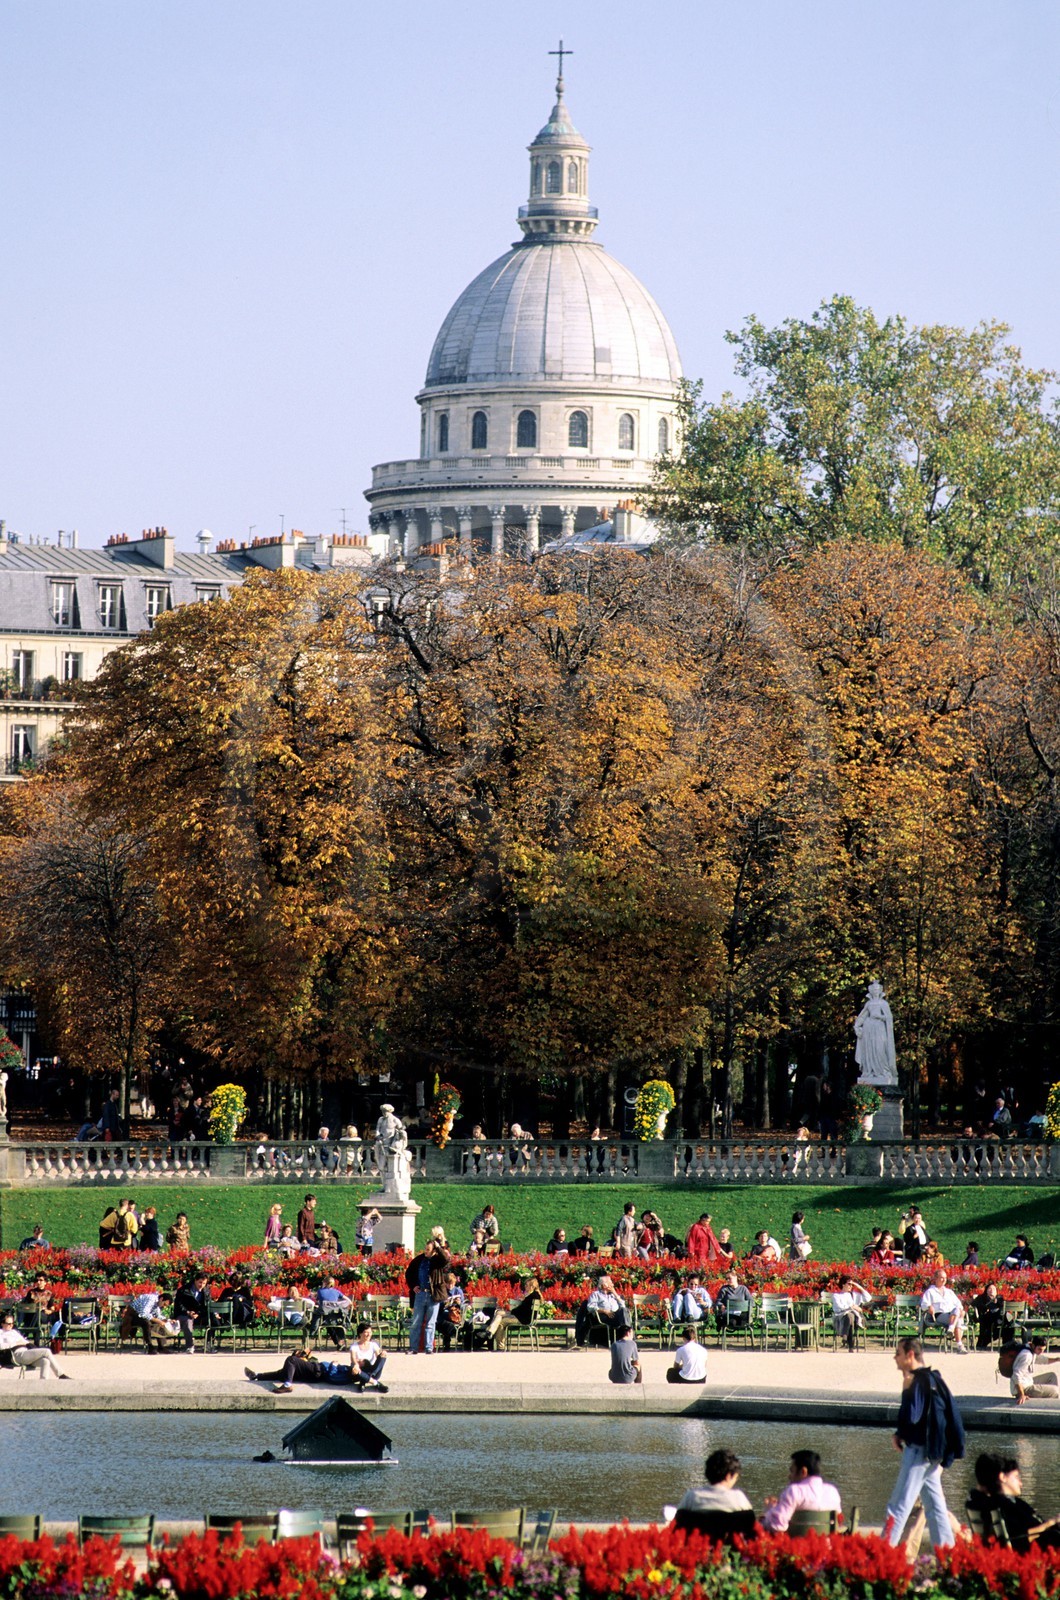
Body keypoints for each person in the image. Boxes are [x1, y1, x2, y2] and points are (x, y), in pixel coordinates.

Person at [883, 1336, 962, 1548]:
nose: (895, 1358)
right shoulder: (934, 1379)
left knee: (899, 1505)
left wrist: (906, 1390)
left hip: (919, 1451)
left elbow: (913, 1416)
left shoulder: (916, 1381)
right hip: (934, 1452)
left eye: (898, 1353)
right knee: (935, 1507)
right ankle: (948, 1556)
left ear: (910, 1355)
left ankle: (881, 1554)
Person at [762, 1450, 842, 1532]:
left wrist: (769, 1512)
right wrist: (777, 1507)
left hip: (795, 1543)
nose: (789, 1476)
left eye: (792, 1471)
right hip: (826, 1543)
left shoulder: (794, 1491)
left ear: (803, 1471)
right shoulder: (833, 1492)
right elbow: (838, 1523)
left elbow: (777, 1527)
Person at [993, 1456, 1060, 1550]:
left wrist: (1054, 1523)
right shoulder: (1005, 1506)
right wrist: (1051, 1522)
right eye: (1016, 1477)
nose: (1021, 1483)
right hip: (1041, 1551)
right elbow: (1020, 1538)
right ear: (1003, 1477)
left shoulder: (1015, 1502)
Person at [245, 1345, 357, 1393]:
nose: (356, 1362)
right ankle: (257, 1376)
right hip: (316, 1370)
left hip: (317, 1371)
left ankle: (287, 1385)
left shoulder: (347, 1376)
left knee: (292, 1360)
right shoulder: (348, 1371)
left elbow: (332, 1377)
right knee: (283, 1373)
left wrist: (333, 1365)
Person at [406, 1238, 450, 1354]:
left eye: (428, 1249)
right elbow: (409, 1272)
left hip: (433, 1295)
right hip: (420, 1294)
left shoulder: (437, 1261)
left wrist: (439, 1247)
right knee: (416, 1322)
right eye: (425, 1249)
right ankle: (413, 1348)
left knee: (431, 1323)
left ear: (434, 1250)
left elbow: (446, 1259)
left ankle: (429, 1347)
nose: (426, 1251)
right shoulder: (419, 1260)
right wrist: (413, 1286)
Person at [676, 1449, 753, 1515]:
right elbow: (751, 1526)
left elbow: (676, 1524)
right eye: (736, 1477)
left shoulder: (691, 1497)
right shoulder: (738, 1498)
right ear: (728, 1476)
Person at [0, 1311, 70, 1379]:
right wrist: (16, 1343)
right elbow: (1, 1346)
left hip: (26, 1352)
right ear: (2, 1324)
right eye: (9, 1323)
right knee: (46, 1351)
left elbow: (25, 1342)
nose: (11, 1325)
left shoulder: (14, 1332)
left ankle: (43, 1384)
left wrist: (22, 1342)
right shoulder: (1, 1333)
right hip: (16, 1354)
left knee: (45, 1361)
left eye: (12, 1323)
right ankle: (61, 1375)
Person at [919, 1270, 968, 1353]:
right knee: (958, 1318)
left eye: (945, 1278)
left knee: (957, 1312)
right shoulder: (930, 1292)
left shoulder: (949, 1292)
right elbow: (924, 1304)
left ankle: (953, 1333)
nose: (944, 1280)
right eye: (941, 1278)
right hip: (939, 1315)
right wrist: (929, 1307)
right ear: (936, 1278)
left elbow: (959, 1304)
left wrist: (962, 1310)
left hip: (952, 1315)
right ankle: (959, 1344)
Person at [486, 1276, 543, 1348]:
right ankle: (491, 1333)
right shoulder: (535, 1296)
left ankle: (492, 1335)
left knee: (499, 1320)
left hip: (522, 1319)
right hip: (523, 1318)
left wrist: (511, 1312)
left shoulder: (532, 1297)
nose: (525, 1286)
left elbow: (522, 1309)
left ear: (532, 1286)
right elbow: (523, 1309)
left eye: (526, 1285)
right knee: (499, 1315)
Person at [576, 1274, 630, 1347]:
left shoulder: (613, 1295)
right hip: (603, 1316)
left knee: (623, 1310)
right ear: (604, 1285)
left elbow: (623, 1306)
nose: (613, 1284)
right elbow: (590, 1307)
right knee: (623, 1316)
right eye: (610, 1283)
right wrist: (604, 1311)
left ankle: (625, 1330)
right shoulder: (596, 1294)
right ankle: (626, 1334)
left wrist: (615, 1293)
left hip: (615, 1316)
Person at [1010, 1334, 1060, 1404]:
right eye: (1039, 1349)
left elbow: (1042, 1359)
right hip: (1024, 1388)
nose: (1041, 1352)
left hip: (1028, 1382)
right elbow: (1016, 1376)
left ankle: (1047, 1403)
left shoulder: (1030, 1348)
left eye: (1043, 1350)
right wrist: (1021, 1395)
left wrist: (1056, 1359)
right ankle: (1050, 1407)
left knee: (1051, 1376)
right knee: (1055, 1390)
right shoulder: (1026, 1355)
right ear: (1033, 1345)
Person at [832, 1276, 873, 1352]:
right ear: (843, 1284)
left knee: (850, 1316)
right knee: (849, 1316)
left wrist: (858, 1286)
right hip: (840, 1316)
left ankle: (845, 1336)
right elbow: (839, 1307)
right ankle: (851, 1344)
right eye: (849, 1284)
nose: (851, 1286)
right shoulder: (836, 1295)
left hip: (855, 1317)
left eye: (852, 1284)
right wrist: (853, 1307)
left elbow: (868, 1298)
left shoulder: (854, 1295)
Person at [174, 1273, 212, 1352]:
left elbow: (207, 1306)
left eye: (204, 1283)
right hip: (184, 1314)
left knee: (212, 1319)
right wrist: (188, 1312)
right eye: (200, 1282)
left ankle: (209, 1344)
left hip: (199, 1315)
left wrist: (198, 1313)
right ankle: (190, 1346)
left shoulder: (206, 1291)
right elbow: (178, 1305)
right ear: (195, 1280)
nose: (201, 1285)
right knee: (188, 1321)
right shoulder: (184, 1290)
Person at [349, 1321, 389, 1391]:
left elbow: (378, 1357)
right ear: (360, 1333)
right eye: (366, 1332)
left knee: (383, 1357)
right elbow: (353, 1358)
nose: (368, 1334)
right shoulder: (354, 1346)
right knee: (362, 1363)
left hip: (373, 1371)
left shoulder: (373, 1345)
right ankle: (375, 1382)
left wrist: (382, 1354)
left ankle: (366, 1379)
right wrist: (356, 1364)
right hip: (360, 1371)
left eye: (370, 1332)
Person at [309, 1275, 351, 1340]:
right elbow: (349, 1301)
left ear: (324, 1283)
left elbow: (317, 1299)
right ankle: (340, 1341)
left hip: (324, 1315)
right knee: (330, 1324)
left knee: (316, 1314)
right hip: (335, 1316)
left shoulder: (320, 1291)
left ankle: (313, 1330)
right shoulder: (336, 1292)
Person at [130, 1287, 170, 1353]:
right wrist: (158, 1321)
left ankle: (161, 1347)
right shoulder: (151, 1299)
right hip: (132, 1316)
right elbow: (143, 1313)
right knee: (146, 1322)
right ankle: (150, 1346)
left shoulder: (157, 1302)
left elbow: (158, 1316)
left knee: (159, 1322)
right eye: (164, 1304)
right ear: (161, 1299)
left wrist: (167, 1320)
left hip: (140, 1316)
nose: (164, 1306)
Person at [714, 1271, 753, 1336]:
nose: (728, 1280)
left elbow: (751, 1301)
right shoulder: (724, 1289)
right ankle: (731, 1322)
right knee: (729, 1319)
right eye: (726, 1279)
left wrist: (746, 1307)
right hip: (729, 1312)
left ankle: (731, 1322)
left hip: (741, 1313)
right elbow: (718, 1301)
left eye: (729, 1278)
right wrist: (721, 1305)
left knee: (743, 1317)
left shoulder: (743, 1289)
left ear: (736, 1277)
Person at [972, 1283, 1007, 1350]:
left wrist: (997, 1302)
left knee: (1007, 1325)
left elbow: (1003, 1307)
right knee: (1004, 1319)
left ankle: (1007, 1344)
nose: (991, 1290)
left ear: (996, 1291)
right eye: (990, 1289)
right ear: (986, 1290)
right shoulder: (981, 1298)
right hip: (986, 1318)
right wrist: (986, 1307)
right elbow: (975, 1304)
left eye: (993, 1289)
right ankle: (1004, 1320)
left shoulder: (999, 1299)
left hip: (999, 1318)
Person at [437, 1271, 465, 1352]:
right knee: (446, 1322)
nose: (450, 1286)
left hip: (455, 1315)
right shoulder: (442, 1291)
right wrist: (445, 1303)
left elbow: (463, 1306)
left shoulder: (458, 1291)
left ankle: (447, 1345)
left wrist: (459, 1303)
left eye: (452, 1284)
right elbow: (438, 1306)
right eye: (448, 1284)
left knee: (448, 1324)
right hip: (444, 1314)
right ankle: (455, 1334)